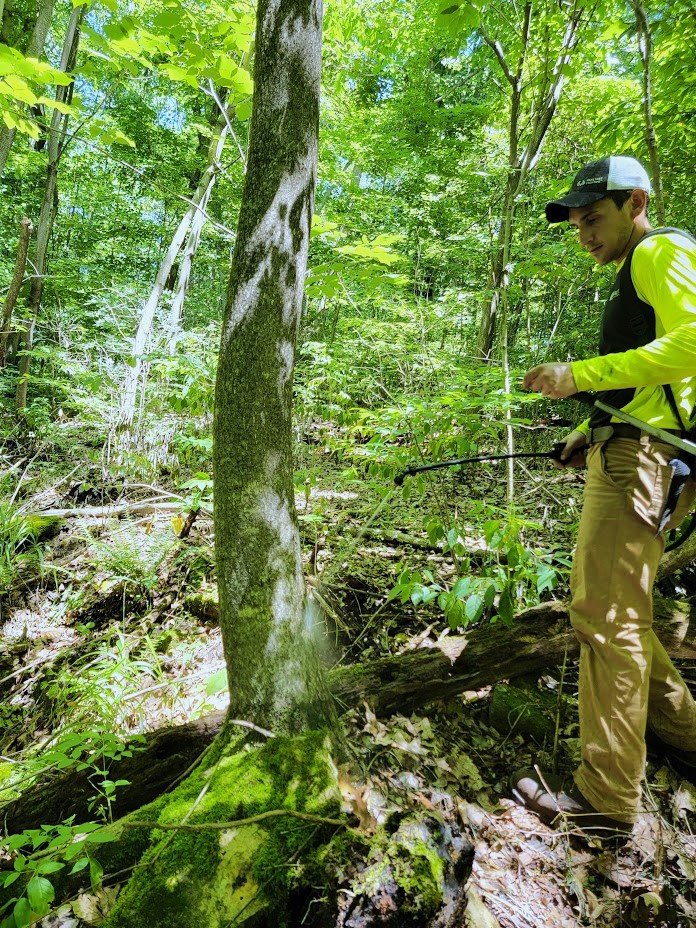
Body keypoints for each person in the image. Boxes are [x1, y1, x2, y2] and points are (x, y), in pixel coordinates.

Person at [512, 155, 696, 838]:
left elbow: (693, 343)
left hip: (641, 460)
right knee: (622, 617)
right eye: (577, 224)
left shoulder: (658, 252)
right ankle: (688, 740)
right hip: (634, 447)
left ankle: (606, 803)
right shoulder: (641, 265)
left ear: (635, 203)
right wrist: (593, 428)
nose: (585, 233)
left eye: (594, 217)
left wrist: (579, 375)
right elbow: (657, 385)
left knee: (606, 618)